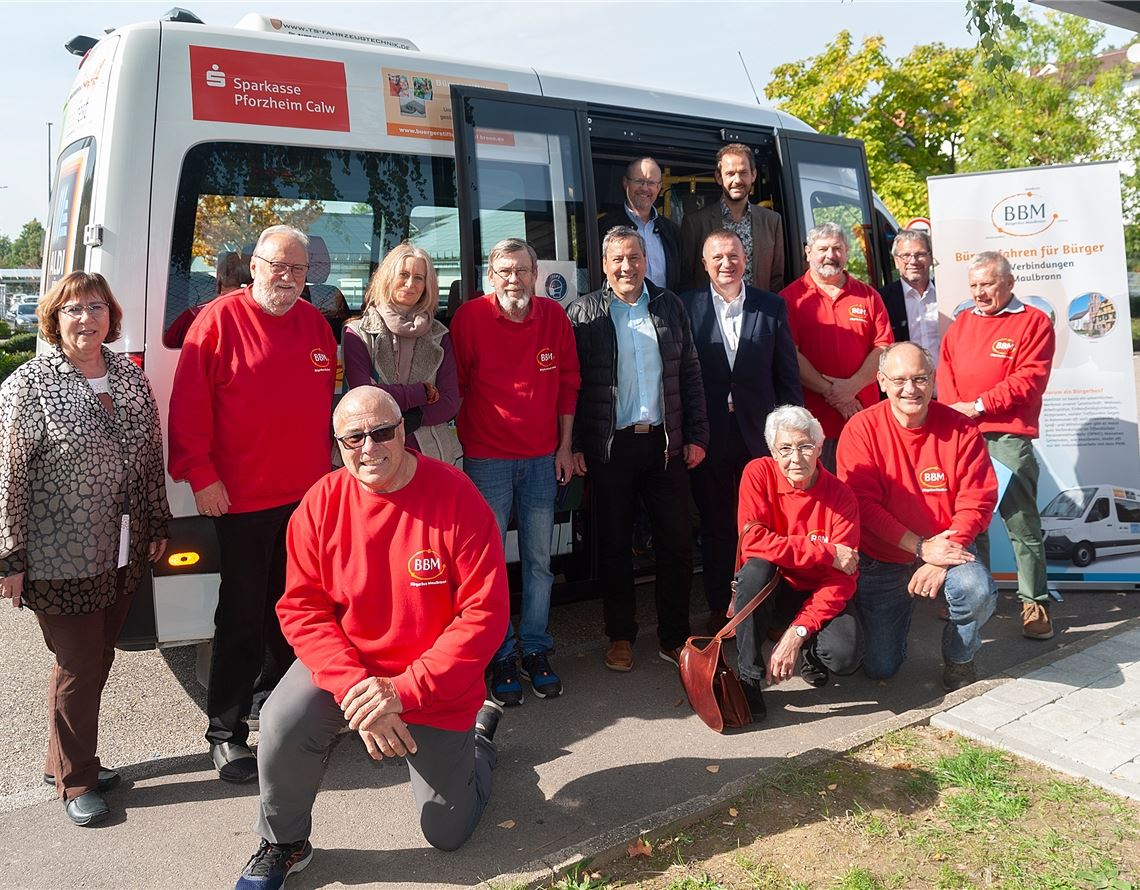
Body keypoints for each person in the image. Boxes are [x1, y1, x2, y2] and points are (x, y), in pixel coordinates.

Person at [232, 387, 508, 890]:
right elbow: (302, 608)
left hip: (432, 681)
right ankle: (284, 842)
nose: (370, 447)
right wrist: (361, 691)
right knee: (280, 720)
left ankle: (480, 743)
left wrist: (402, 691)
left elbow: (484, 615)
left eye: (382, 432)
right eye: (353, 437)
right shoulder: (320, 503)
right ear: (338, 443)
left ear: (403, 432)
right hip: (353, 672)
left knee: (447, 831)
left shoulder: (456, 497)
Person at [0, 272, 171, 826]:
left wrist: (158, 521)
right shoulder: (28, 385)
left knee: (98, 656)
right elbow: (10, 477)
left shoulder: (127, 375)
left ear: (110, 316)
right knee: (77, 663)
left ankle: (62, 760)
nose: (87, 317)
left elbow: (149, 455)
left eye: (97, 306)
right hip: (57, 554)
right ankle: (78, 783)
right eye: (73, 308)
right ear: (54, 318)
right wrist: (10, 558)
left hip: (122, 547)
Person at [169, 224, 337, 784]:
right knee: (240, 617)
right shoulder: (216, 321)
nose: (287, 279)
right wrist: (201, 477)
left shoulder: (316, 325)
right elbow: (188, 411)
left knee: (295, 615)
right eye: (277, 266)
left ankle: (284, 714)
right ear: (254, 265)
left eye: (298, 269)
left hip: (305, 499)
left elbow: (323, 413)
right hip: (239, 499)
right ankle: (225, 732)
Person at [567, 226, 708, 671]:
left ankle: (673, 635)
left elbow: (689, 374)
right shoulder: (583, 313)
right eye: (618, 260)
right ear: (604, 265)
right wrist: (571, 445)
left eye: (634, 258)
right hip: (611, 448)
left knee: (677, 543)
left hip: (665, 445)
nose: (627, 267)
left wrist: (698, 436)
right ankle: (621, 635)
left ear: (646, 262)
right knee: (612, 544)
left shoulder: (670, 306)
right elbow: (571, 386)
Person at [449, 238, 580, 705]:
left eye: (522, 270)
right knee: (489, 565)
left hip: (543, 460)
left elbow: (568, 384)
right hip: (487, 462)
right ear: (490, 275)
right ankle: (501, 653)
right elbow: (457, 387)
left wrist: (564, 449)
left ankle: (536, 649)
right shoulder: (470, 319)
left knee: (540, 561)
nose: (513, 279)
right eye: (504, 271)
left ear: (535, 273)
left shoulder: (553, 317)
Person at [837, 342, 998, 691]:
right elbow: (862, 505)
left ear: (933, 379)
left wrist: (940, 555)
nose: (910, 389)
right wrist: (920, 548)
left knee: (975, 589)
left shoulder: (961, 429)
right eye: (900, 380)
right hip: (883, 557)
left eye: (920, 379)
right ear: (881, 381)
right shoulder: (860, 429)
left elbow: (979, 500)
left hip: (947, 548)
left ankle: (960, 658)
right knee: (882, 667)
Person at [681, 229, 802, 632]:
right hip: (709, 435)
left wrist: (793, 435)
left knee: (764, 523)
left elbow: (787, 376)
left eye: (732, 255)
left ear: (745, 259)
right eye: (716, 257)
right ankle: (721, 607)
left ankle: (764, 607)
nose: (725, 263)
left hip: (760, 435)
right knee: (716, 524)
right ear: (704, 264)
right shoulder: (687, 306)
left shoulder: (772, 307)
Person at [938, 251, 1057, 640]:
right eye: (973, 286)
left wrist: (975, 405)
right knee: (970, 523)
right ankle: (975, 597)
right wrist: (955, 415)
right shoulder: (961, 325)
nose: (979, 293)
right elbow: (947, 372)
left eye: (986, 284)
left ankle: (1034, 602)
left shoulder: (1034, 323)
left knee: (1021, 522)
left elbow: (1029, 380)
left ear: (1008, 282)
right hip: (965, 435)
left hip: (1008, 435)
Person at [733, 405, 863, 718]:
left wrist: (798, 633)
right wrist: (826, 551)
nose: (796, 457)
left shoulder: (841, 495)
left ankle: (808, 652)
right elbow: (752, 542)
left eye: (805, 446)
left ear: (819, 447)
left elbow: (843, 578)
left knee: (845, 656)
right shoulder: (758, 473)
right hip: (773, 589)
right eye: (786, 448)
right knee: (755, 569)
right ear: (773, 452)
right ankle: (749, 675)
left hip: (816, 591)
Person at [781, 222, 894, 469]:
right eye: (823, 249)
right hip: (813, 426)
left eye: (837, 248)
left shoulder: (869, 296)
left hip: (863, 417)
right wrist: (834, 394)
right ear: (808, 252)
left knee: (867, 493)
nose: (830, 255)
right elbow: (790, 355)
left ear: (846, 252)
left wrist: (852, 387)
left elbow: (884, 348)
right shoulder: (789, 299)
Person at [343, 243, 461, 465]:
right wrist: (421, 392)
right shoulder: (358, 333)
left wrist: (412, 417)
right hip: (372, 455)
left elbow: (449, 402)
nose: (410, 284)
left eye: (419, 278)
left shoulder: (440, 335)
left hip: (432, 454)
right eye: (403, 274)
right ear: (388, 277)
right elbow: (366, 397)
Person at [680, 143, 785, 293]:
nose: (737, 180)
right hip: (712, 314)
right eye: (730, 174)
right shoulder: (695, 223)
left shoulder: (772, 221)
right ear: (719, 177)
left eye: (743, 173)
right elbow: (686, 279)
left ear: (753, 175)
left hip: (758, 313)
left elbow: (776, 279)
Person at [597, 156, 681, 291]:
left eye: (651, 183)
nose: (645, 188)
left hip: (664, 309)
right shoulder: (604, 227)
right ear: (625, 183)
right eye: (639, 181)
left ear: (659, 188)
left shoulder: (671, 230)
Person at [878, 229, 940, 363]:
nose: (913, 261)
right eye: (905, 255)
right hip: (906, 382)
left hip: (944, 381)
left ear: (930, 257)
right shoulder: (881, 300)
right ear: (896, 261)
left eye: (920, 254)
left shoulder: (946, 293)